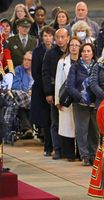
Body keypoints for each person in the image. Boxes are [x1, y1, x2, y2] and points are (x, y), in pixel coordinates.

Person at [66, 43, 99, 166]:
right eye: (84, 51)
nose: (86, 53)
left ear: (93, 53)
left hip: (94, 104)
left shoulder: (97, 66)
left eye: (88, 51)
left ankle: (94, 155)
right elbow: (70, 86)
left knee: (94, 132)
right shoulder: (75, 67)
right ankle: (84, 156)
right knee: (82, 131)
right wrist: (81, 97)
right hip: (80, 104)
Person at [42, 28, 69, 160]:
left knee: (69, 122)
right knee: (55, 122)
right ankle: (57, 148)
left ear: (67, 38)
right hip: (54, 91)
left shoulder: (71, 51)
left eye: (62, 37)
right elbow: (45, 74)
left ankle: (69, 149)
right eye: (57, 37)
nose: (60, 40)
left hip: (70, 92)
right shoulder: (50, 53)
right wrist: (48, 93)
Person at [54, 37, 81, 161]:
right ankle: (69, 153)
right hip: (66, 98)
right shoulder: (62, 62)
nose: (74, 47)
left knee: (80, 126)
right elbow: (58, 81)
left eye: (76, 45)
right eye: (72, 45)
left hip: (80, 98)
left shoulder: (83, 61)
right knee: (68, 127)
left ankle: (81, 153)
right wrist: (57, 100)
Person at [31, 25, 55, 156]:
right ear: (42, 37)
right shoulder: (37, 51)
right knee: (46, 120)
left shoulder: (57, 50)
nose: (48, 38)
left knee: (55, 120)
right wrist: (46, 88)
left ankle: (57, 146)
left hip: (54, 88)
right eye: (45, 35)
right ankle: (48, 147)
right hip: (42, 90)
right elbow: (35, 73)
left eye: (50, 35)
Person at [12, 51, 34, 139]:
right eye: (24, 59)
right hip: (22, 98)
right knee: (20, 103)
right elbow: (15, 85)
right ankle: (27, 129)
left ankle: (42, 132)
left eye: (29, 60)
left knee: (40, 104)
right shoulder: (18, 69)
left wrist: (33, 92)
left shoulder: (37, 71)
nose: (26, 62)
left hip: (34, 98)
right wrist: (28, 91)